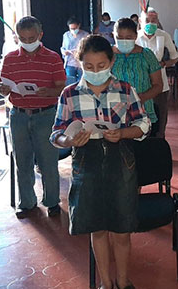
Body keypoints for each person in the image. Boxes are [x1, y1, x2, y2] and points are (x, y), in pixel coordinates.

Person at [51, 35, 150, 289]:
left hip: (120, 161)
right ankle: (106, 282)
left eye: (102, 66)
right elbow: (56, 133)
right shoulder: (70, 94)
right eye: (89, 67)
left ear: (112, 61)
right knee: (98, 229)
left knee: (121, 229)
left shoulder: (125, 90)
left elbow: (143, 123)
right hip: (87, 161)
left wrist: (123, 133)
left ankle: (123, 280)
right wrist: (69, 140)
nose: (96, 71)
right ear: (79, 63)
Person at [0, 16, 66, 218]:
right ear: (16, 37)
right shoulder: (10, 58)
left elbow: (62, 87)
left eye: (31, 38)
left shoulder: (52, 57)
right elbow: (1, 87)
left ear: (40, 35)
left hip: (45, 115)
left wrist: (50, 92)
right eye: (23, 39)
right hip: (18, 115)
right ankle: (26, 202)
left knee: (48, 161)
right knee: (22, 161)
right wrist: (3, 89)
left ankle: (52, 201)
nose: (27, 42)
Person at [112, 18, 163, 136]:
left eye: (128, 38)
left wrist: (140, 98)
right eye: (119, 38)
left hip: (143, 111)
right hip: (114, 114)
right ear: (113, 36)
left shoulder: (146, 55)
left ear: (135, 36)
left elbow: (158, 85)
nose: (124, 41)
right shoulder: (107, 55)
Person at [136, 10, 178, 138]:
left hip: (160, 84)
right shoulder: (136, 37)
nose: (151, 23)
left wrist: (164, 64)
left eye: (154, 20)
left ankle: (159, 143)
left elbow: (175, 57)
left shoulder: (164, 35)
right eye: (147, 20)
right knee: (141, 116)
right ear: (140, 21)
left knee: (160, 116)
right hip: (141, 84)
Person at [61, 16, 90, 86]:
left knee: (82, 83)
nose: (73, 30)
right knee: (70, 83)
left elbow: (89, 49)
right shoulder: (66, 35)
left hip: (81, 63)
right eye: (71, 29)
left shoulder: (85, 35)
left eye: (75, 28)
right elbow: (63, 48)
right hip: (70, 63)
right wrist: (64, 52)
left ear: (79, 25)